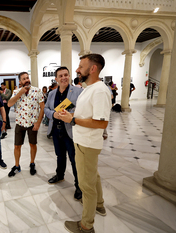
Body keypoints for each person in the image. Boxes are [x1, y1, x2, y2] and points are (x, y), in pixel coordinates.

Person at [59, 54, 111, 233]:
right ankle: (99, 205)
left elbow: (101, 123)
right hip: (83, 141)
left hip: (87, 144)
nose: (77, 70)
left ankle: (86, 226)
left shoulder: (100, 90)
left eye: (81, 66)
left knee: (86, 185)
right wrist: (71, 116)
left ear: (93, 69)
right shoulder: (89, 88)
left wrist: (73, 119)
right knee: (93, 175)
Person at [44, 67, 83, 201]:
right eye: (60, 76)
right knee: (60, 155)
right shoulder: (51, 93)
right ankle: (60, 175)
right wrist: (54, 114)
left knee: (74, 159)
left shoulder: (78, 91)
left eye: (66, 75)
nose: (63, 78)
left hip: (70, 131)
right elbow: (46, 109)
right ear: (56, 79)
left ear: (69, 76)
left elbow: (83, 109)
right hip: (56, 130)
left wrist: (70, 115)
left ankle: (79, 186)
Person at [7, 72, 45, 177]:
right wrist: (20, 93)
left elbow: (42, 107)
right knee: (17, 146)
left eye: (27, 78)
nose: (26, 80)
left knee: (33, 144)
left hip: (33, 123)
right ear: (20, 81)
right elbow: (9, 104)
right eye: (24, 79)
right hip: (20, 123)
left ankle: (32, 163)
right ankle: (17, 165)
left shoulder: (37, 91)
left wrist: (38, 123)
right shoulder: (16, 92)